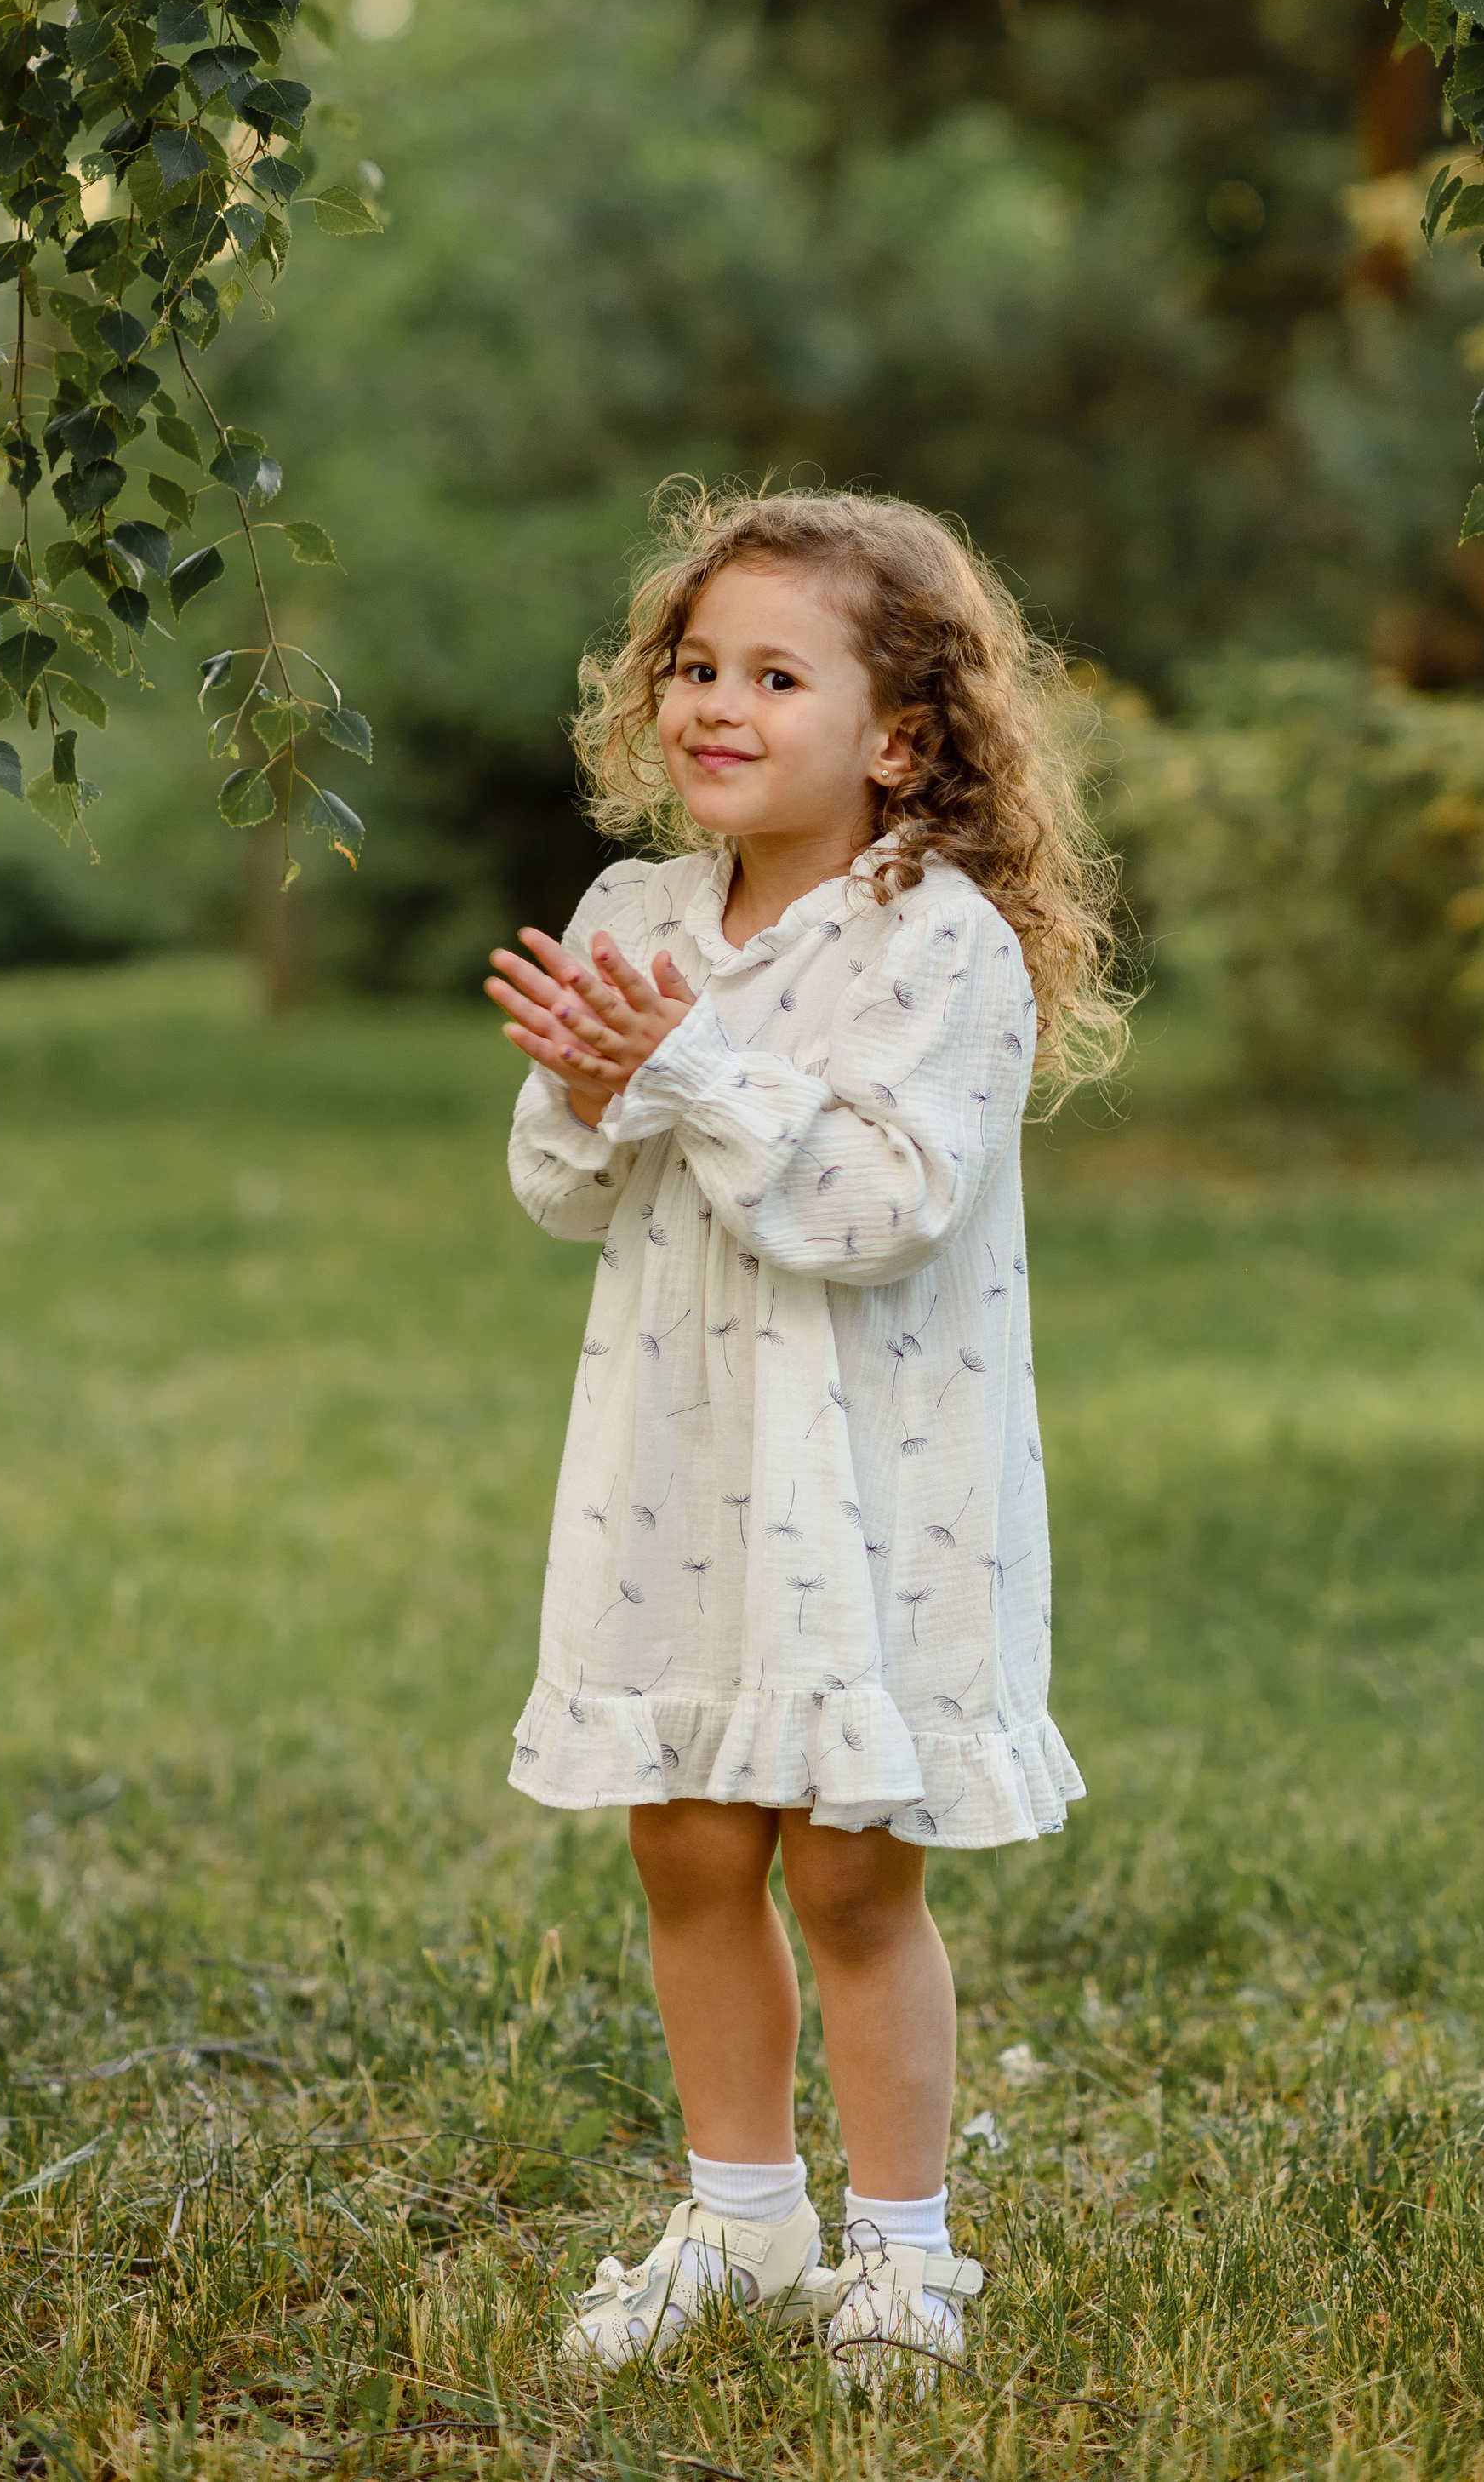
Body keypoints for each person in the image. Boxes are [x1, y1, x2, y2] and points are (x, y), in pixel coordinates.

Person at [485, 482, 1126, 2380]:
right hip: (681, 1463)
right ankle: (742, 2217)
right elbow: (562, 1191)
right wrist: (590, 1086)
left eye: (777, 675)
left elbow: (876, 1210)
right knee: (687, 1842)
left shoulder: (941, 942)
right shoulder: (636, 914)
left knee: (849, 1870)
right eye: (697, 665)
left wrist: (682, 1064)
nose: (716, 702)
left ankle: (906, 2253)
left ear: (900, 736)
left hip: (871, 1483)